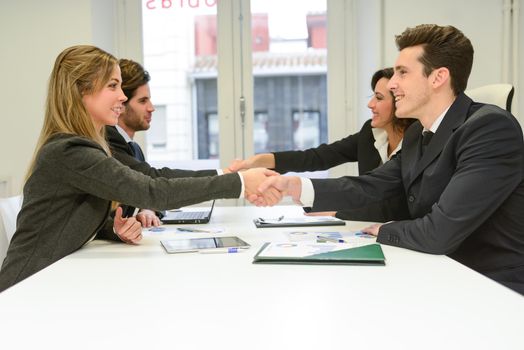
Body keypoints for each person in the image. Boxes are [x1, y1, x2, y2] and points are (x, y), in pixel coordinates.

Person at [254, 24, 524, 294]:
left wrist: (384, 230)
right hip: (440, 269)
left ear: (438, 77)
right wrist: (295, 187)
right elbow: (372, 186)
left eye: (403, 73)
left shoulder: (490, 129)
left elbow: (438, 233)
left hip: (492, 285)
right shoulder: (419, 132)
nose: (392, 83)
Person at [0, 45, 278, 293]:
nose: (122, 96)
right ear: (81, 90)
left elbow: (64, 219)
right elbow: (151, 190)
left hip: (50, 281)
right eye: (113, 86)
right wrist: (239, 182)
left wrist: (113, 230)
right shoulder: (69, 151)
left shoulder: (81, 148)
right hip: (25, 289)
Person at [228, 68, 415, 222]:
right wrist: (258, 161)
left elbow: (392, 203)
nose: (370, 104)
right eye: (372, 96)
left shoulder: (419, 142)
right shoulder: (371, 133)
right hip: (369, 229)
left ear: (399, 100)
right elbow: (319, 156)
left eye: (379, 98)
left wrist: (337, 212)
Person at [106, 58, 228, 227]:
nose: (151, 107)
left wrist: (147, 209)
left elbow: (148, 191)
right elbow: (154, 181)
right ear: (121, 104)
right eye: (143, 101)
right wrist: (225, 177)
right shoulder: (109, 143)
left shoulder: (133, 147)